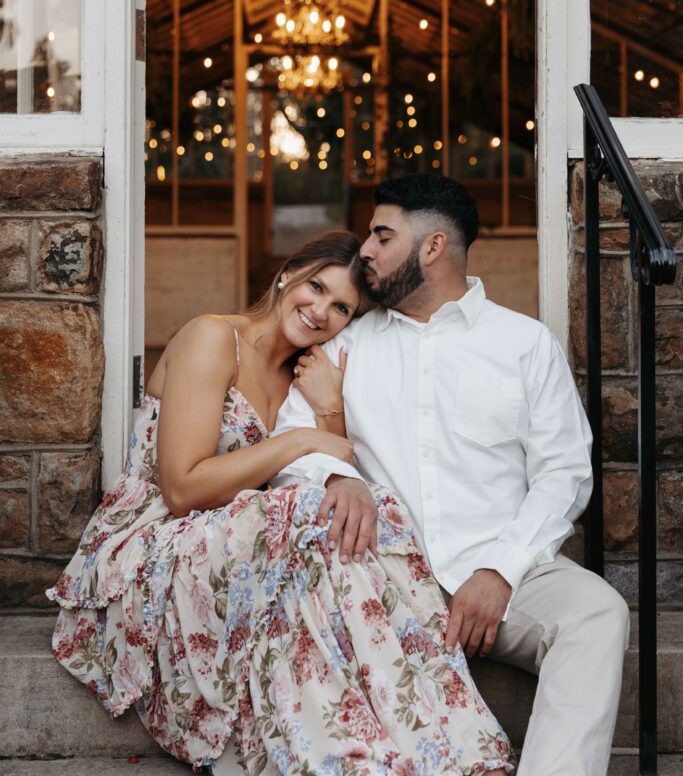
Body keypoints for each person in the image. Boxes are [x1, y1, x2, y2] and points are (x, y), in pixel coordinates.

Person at [47, 230, 514, 776]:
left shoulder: (309, 375)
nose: (321, 310)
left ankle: (435, 741)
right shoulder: (213, 338)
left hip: (247, 544)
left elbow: (335, 468)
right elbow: (182, 489)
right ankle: (342, 753)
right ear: (287, 274)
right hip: (153, 537)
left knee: (369, 512)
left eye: (341, 307)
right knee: (305, 515)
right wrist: (299, 440)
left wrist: (329, 410)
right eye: (315, 287)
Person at [272, 176, 630, 776]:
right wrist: (338, 477)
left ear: (432, 247)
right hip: (384, 577)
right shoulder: (345, 345)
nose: (365, 250)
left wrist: (500, 570)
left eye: (382, 236)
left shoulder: (524, 344)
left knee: (599, 613)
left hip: (505, 572)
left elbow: (564, 473)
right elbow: (289, 441)